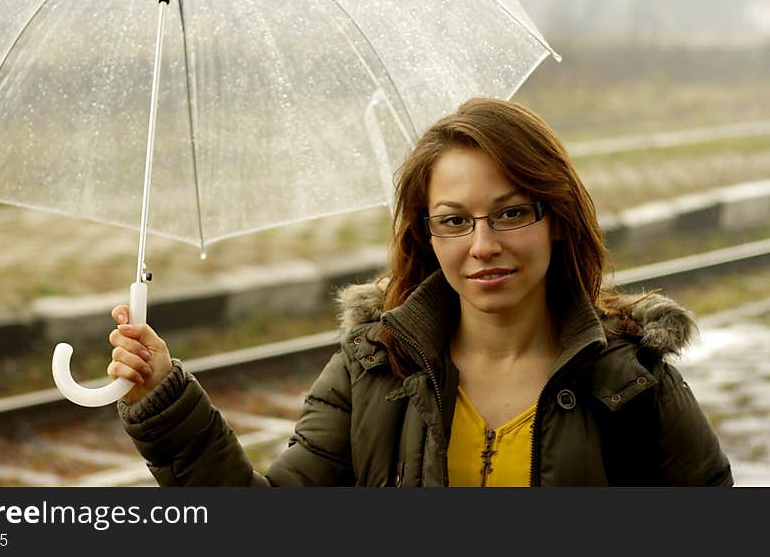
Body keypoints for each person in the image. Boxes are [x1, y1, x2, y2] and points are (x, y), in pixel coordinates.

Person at [106, 97, 733, 486]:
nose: (482, 245)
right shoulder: (371, 371)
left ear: (558, 218)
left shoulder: (632, 383)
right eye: (455, 220)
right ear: (426, 234)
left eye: (511, 213)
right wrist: (167, 405)